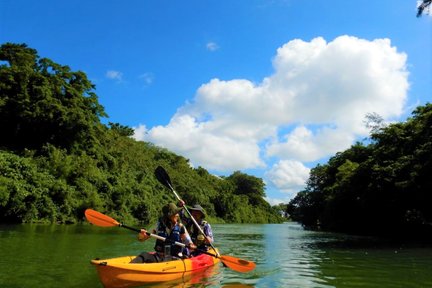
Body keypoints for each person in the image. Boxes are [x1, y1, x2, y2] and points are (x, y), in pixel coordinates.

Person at [130, 202, 196, 263]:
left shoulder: (180, 227)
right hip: (160, 257)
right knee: (144, 255)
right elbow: (141, 239)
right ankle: (130, 267)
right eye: (175, 213)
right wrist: (141, 234)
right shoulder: (158, 225)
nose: (177, 215)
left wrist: (191, 245)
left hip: (175, 258)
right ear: (169, 216)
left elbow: (188, 241)